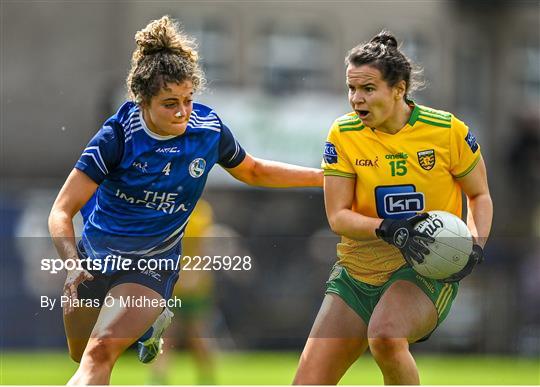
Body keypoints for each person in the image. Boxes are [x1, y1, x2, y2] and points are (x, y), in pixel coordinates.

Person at [48, 15, 322, 385]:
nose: (182, 112)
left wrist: (325, 177)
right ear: (142, 101)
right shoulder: (117, 137)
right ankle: (150, 329)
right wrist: (71, 264)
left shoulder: (207, 131)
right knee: (79, 354)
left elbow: (253, 170)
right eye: (169, 103)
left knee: (100, 353)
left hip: (152, 265)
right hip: (96, 259)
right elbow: (61, 210)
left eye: (188, 101)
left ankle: (149, 314)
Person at [293, 31, 493, 385]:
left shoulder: (447, 131)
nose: (356, 99)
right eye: (351, 89)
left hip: (422, 269)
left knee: (385, 337)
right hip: (357, 272)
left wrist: (475, 244)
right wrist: (387, 227)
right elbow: (338, 216)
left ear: (398, 89)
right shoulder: (343, 134)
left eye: (368, 89)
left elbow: (479, 195)